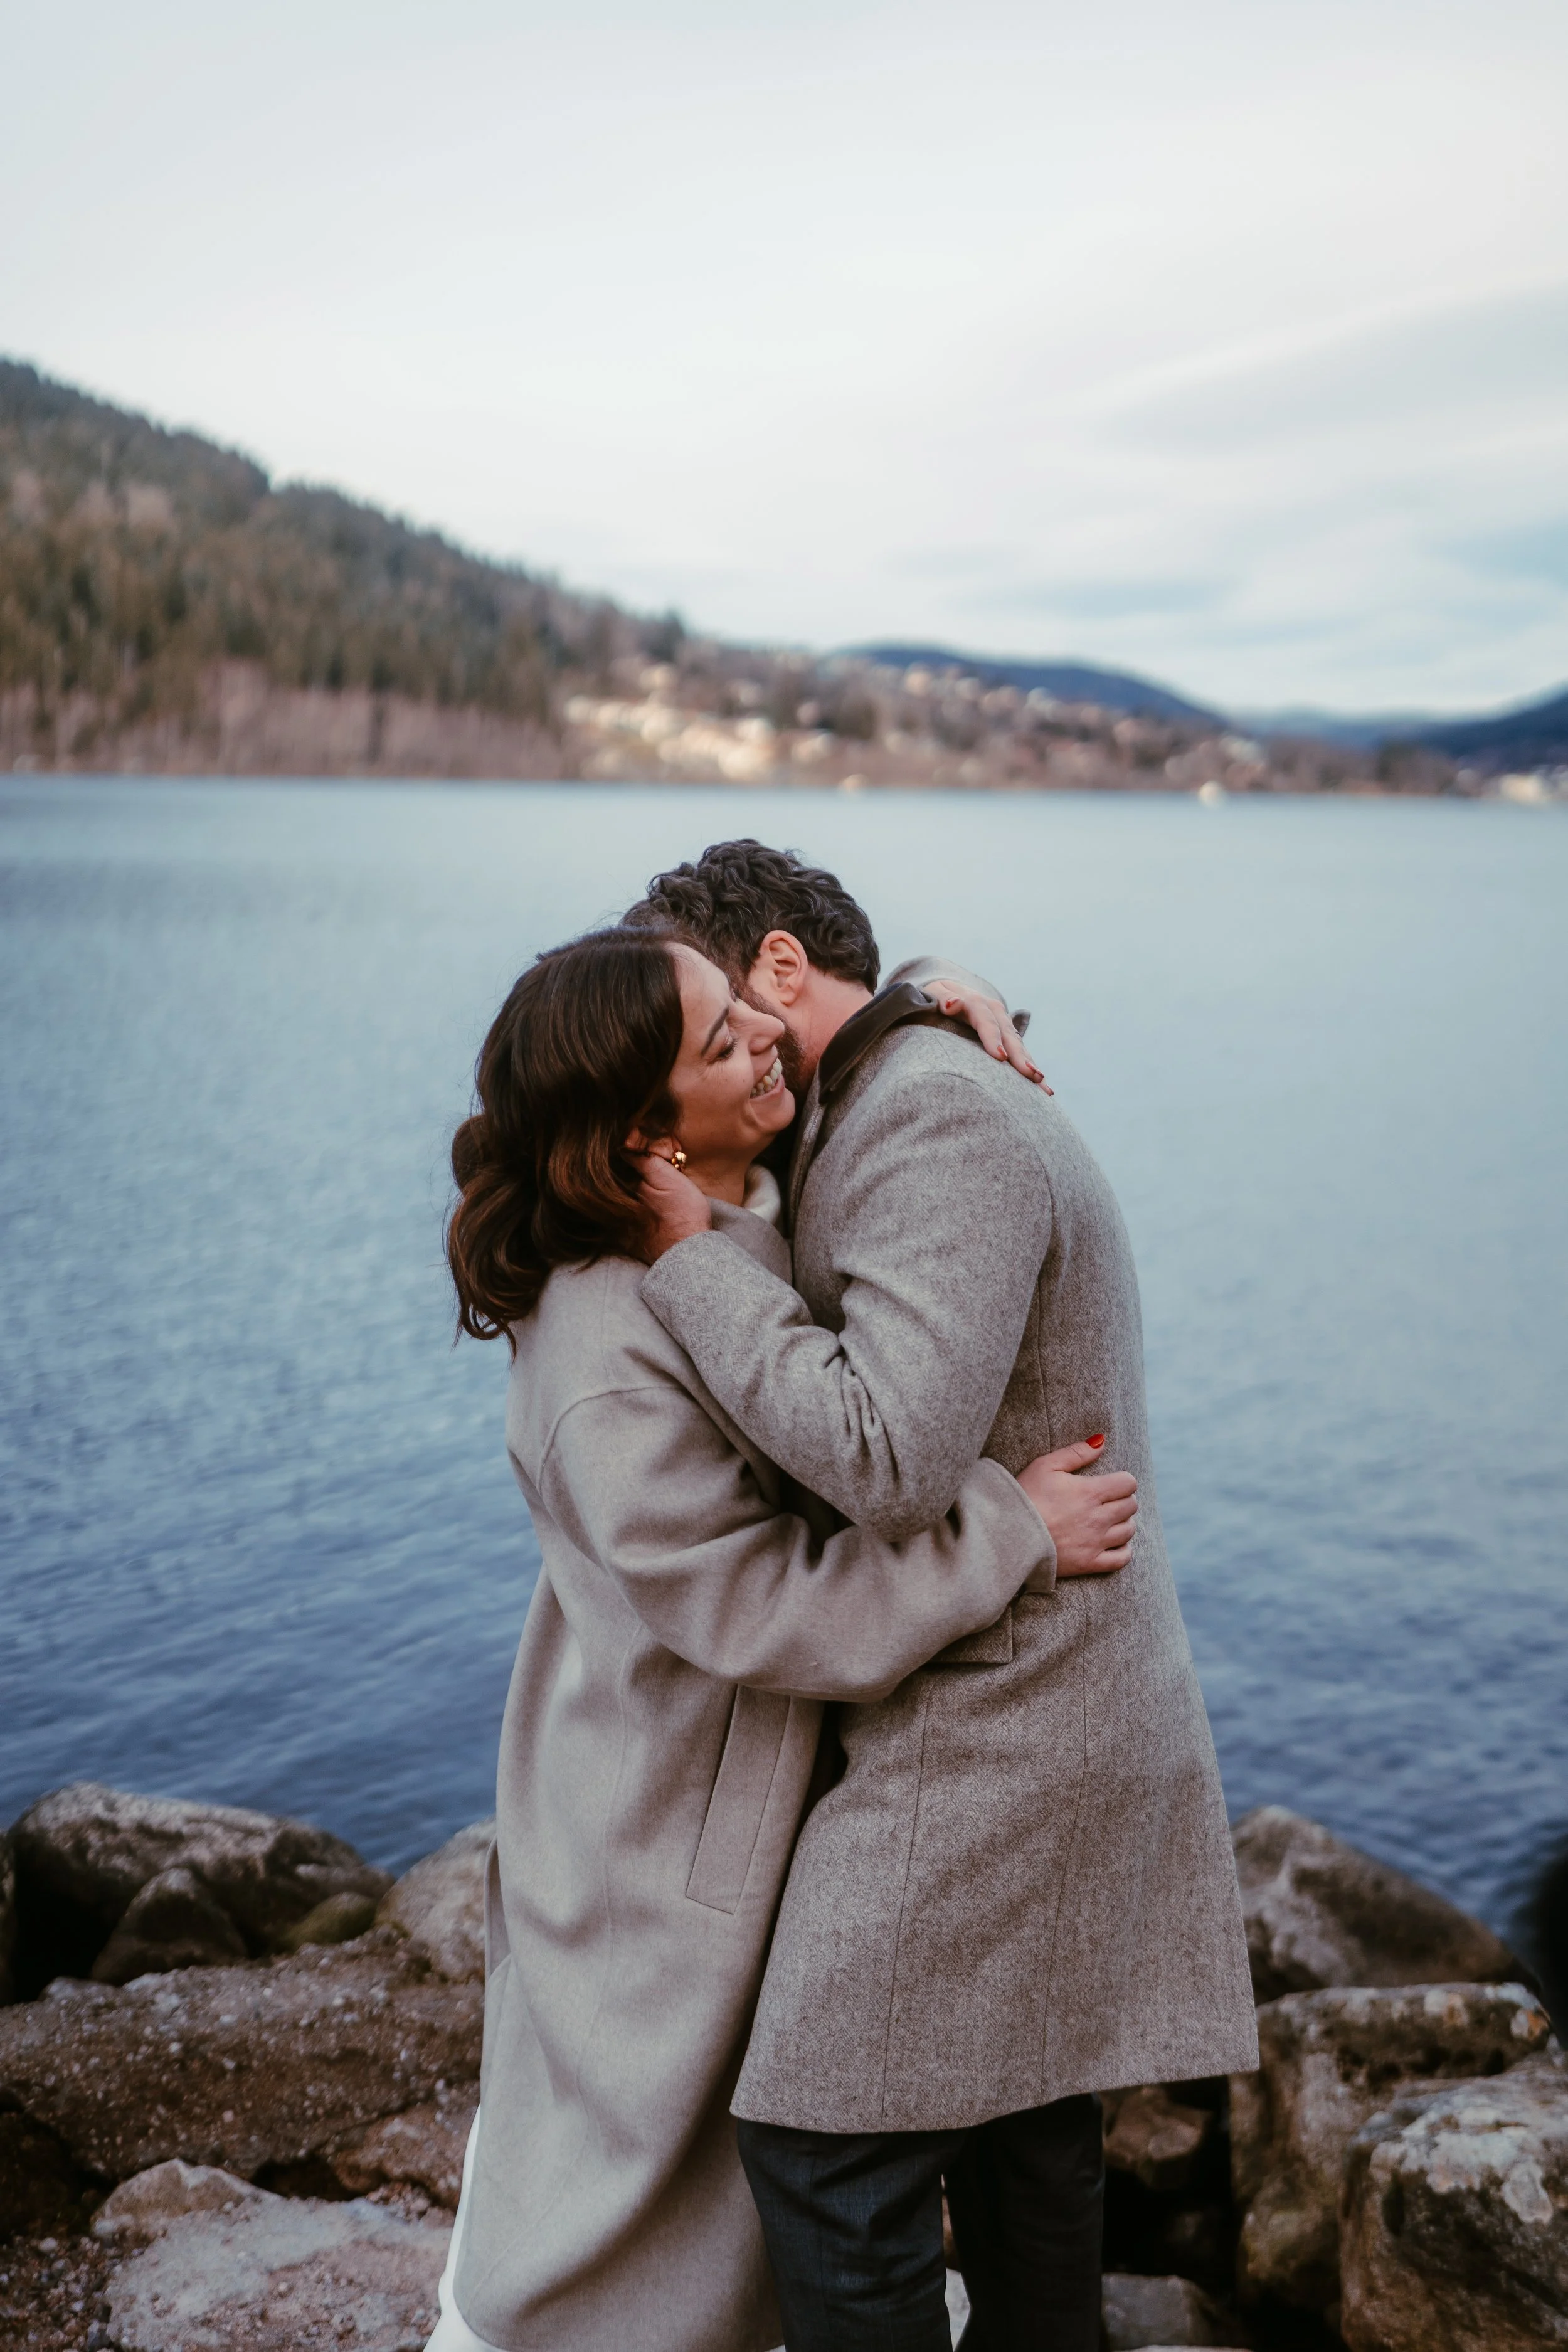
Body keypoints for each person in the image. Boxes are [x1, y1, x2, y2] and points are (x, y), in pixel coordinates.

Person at [428, 924, 1139, 2352]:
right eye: (722, 1037)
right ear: (647, 1140)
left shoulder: (743, 1176)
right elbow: (767, 1607)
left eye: (747, 1001)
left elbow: (835, 1024)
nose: (765, 1031)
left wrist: (936, 991)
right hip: (661, 1806)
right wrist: (1007, 1531)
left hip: (759, 1772)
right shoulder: (600, 1360)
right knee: (649, 2202)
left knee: (944, 2130)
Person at [629, 840, 1260, 2352]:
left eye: (710, 1003)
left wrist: (689, 1262)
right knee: (1022, 2131)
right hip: (1039, 1699)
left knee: (820, 2143)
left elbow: (890, 1454)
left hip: (1001, 1727)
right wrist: (928, 980)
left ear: (780, 969)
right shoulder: (893, 1079)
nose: (698, 1046)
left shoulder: (927, 1118)